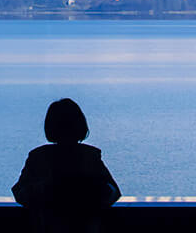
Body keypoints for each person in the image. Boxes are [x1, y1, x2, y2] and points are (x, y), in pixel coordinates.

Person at [12, 99, 120, 233]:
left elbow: (20, 193)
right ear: (80, 125)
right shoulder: (90, 156)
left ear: (50, 127)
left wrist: (44, 191)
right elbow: (113, 191)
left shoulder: (38, 157)